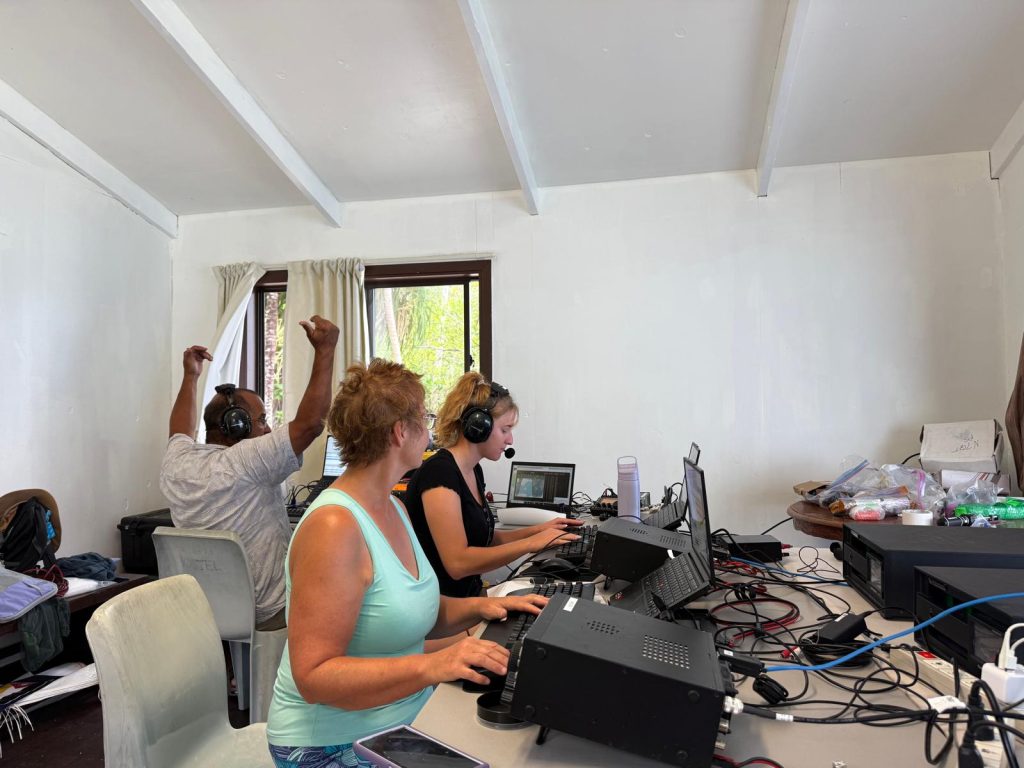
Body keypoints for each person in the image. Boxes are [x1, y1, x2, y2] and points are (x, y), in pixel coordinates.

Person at [266, 359, 546, 767]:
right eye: (424, 419)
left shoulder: (394, 507)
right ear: (400, 432)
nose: (431, 432)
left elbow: (410, 610)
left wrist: (488, 607)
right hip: (332, 744)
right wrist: (434, 665)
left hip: (403, 718)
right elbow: (314, 678)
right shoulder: (334, 527)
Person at [159, 315, 338, 630]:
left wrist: (191, 376)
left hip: (205, 613)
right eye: (262, 420)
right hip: (269, 613)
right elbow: (311, 424)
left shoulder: (178, 462)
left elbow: (180, 430)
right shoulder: (245, 462)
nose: (268, 429)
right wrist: (325, 350)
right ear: (237, 426)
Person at [404, 372, 583, 598]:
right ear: (479, 426)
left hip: (471, 597)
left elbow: (487, 539)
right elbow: (458, 563)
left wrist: (540, 530)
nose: (510, 440)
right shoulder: (439, 474)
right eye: (504, 430)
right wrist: (531, 544)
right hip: (448, 608)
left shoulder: (473, 470)